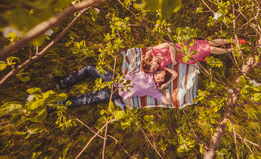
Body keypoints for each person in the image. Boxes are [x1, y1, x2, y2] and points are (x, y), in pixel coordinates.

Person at [50, 65, 178, 107]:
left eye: (161, 78)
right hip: (114, 79)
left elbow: (167, 102)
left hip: (115, 93)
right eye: (160, 74)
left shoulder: (153, 90)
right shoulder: (149, 70)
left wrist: (165, 86)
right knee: (89, 68)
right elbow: (175, 73)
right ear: (158, 71)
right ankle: (63, 83)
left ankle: (58, 105)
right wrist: (165, 68)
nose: (160, 76)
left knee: (86, 99)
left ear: (160, 82)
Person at [141, 38, 246, 73]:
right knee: (211, 49)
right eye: (154, 70)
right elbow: (172, 73)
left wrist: (172, 58)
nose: (155, 69)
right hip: (185, 57)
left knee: (209, 43)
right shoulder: (160, 66)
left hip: (182, 47)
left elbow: (170, 44)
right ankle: (231, 50)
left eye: (153, 68)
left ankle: (234, 40)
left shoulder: (155, 51)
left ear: (150, 63)